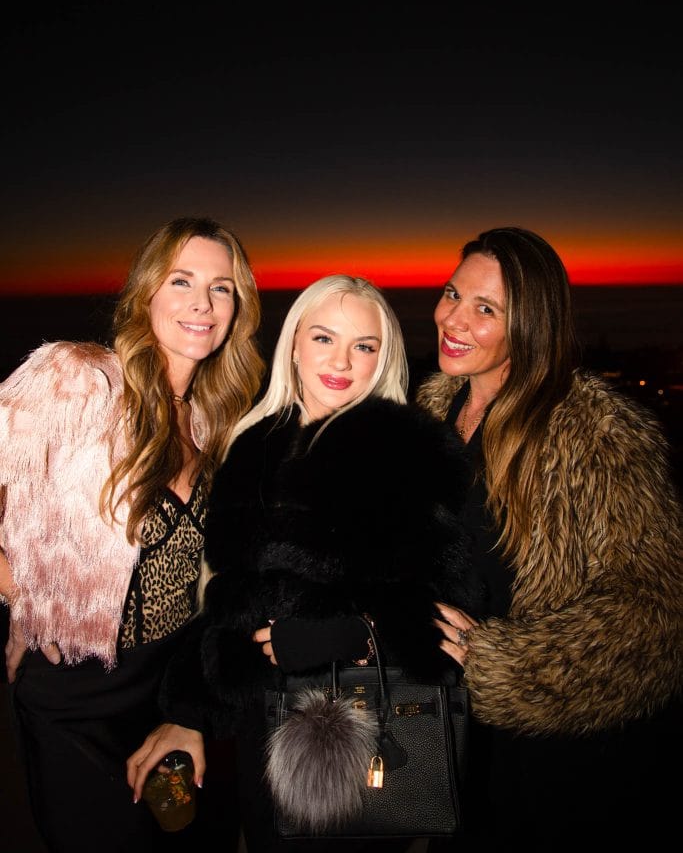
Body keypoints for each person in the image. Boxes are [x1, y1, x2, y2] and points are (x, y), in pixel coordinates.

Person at [127, 274, 476, 852]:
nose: (341, 361)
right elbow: (228, 603)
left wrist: (350, 634)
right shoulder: (252, 445)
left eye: (364, 346)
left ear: (382, 357)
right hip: (262, 732)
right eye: (323, 338)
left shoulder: (411, 454)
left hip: (368, 735)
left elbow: (451, 612)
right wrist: (190, 712)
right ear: (293, 343)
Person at [0, 216, 264, 853]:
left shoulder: (217, 422)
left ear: (239, 309)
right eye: (182, 280)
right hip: (77, 699)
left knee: (181, 840)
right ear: (147, 292)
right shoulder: (78, 382)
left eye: (222, 288)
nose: (202, 303)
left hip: (171, 692)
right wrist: (23, 598)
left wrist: (196, 704)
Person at [417, 226, 683, 850]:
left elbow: (660, 611)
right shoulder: (428, 412)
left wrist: (502, 665)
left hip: (549, 763)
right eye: (453, 293)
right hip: (446, 735)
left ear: (531, 326)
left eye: (486, 310)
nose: (453, 318)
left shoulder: (593, 436)